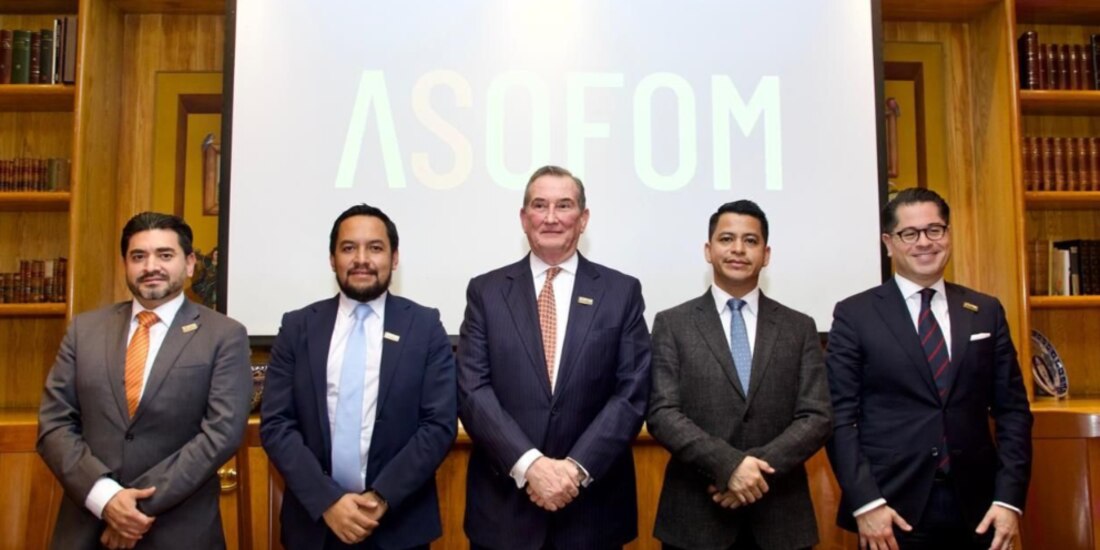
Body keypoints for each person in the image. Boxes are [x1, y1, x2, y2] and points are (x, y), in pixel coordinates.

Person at [826, 188, 1032, 550]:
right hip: (891, 511)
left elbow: (1013, 412)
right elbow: (839, 418)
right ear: (889, 243)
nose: (924, 242)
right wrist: (867, 502)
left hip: (980, 510)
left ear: (948, 235)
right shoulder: (855, 315)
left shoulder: (985, 310)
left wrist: (1008, 499)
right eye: (910, 233)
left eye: (935, 230)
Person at [457, 165, 652, 549]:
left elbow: (631, 393)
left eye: (564, 205)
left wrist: (574, 470)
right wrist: (530, 466)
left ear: (583, 219)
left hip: (592, 514)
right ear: (523, 217)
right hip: (504, 514)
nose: (550, 217)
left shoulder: (621, 292)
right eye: (539, 205)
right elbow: (472, 390)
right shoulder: (486, 292)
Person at [37, 212, 252, 549]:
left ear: (190, 263)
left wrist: (132, 510)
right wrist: (105, 499)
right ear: (125, 263)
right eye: (139, 256)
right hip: (87, 527)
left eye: (165, 255)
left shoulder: (224, 335)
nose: (151, 266)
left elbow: (221, 434)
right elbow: (54, 424)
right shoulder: (85, 330)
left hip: (180, 531)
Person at [260, 204, 457, 549]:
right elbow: (277, 424)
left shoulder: (425, 327)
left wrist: (381, 498)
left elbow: (439, 425)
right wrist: (328, 502)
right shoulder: (298, 327)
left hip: (398, 524)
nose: (361, 259)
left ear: (395, 258)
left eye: (375, 248)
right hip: (315, 525)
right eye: (349, 248)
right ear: (332, 259)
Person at [647, 200, 832, 550]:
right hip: (696, 520)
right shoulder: (672, 324)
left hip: (781, 519)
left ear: (766, 254)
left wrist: (753, 473)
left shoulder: (799, 327)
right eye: (726, 238)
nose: (737, 249)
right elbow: (662, 413)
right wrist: (729, 466)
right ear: (708, 249)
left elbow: (817, 416)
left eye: (750, 241)